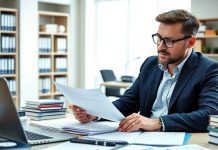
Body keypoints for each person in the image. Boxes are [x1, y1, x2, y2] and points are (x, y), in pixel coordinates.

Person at [70, 9, 218, 132]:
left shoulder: (209, 69)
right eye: (159, 38)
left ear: (190, 42)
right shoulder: (150, 64)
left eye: (169, 41)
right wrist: (94, 114)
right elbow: (128, 103)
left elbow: (211, 114)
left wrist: (158, 123)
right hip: (140, 140)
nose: (160, 46)